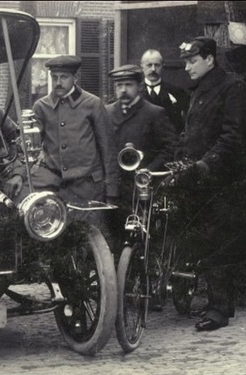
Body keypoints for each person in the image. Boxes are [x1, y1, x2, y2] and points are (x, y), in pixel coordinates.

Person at [176, 36, 246, 331]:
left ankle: (219, 311)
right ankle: (216, 303)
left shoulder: (231, 87)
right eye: (186, 62)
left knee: (217, 242)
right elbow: (191, 134)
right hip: (198, 178)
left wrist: (205, 164)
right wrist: (180, 157)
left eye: (193, 61)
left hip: (221, 180)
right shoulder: (198, 90)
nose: (188, 67)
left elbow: (232, 136)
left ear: (209, 59)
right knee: (204, 240)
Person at [6, 55, 119, 226]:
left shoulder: (92, 104)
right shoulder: (42, 106)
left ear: (75, 78)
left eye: (64, 77)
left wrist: (111, 190)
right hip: (53, 181)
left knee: (90, 237)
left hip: (86, 186)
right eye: (54, 77)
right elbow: (26, 146)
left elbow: (108, 149)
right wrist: (18, 174)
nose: (58, 82)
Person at [105, 64, 178, 291]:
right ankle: (118, 285)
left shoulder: (154, 113)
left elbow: (170, 148)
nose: (123, 90)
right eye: (119, 85)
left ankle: (147, 281)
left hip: (143, 188)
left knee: (144, 238)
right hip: (114, 188)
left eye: (128, 85)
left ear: (138, 86)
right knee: (114, 236)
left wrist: (149, 170)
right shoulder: (106, 113)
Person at [140, 49, 189, 135]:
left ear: (163, 66)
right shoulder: (136, 93)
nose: (153, 69)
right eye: (149, 65)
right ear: (142, 67)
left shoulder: (176, 92)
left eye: (157, 65)